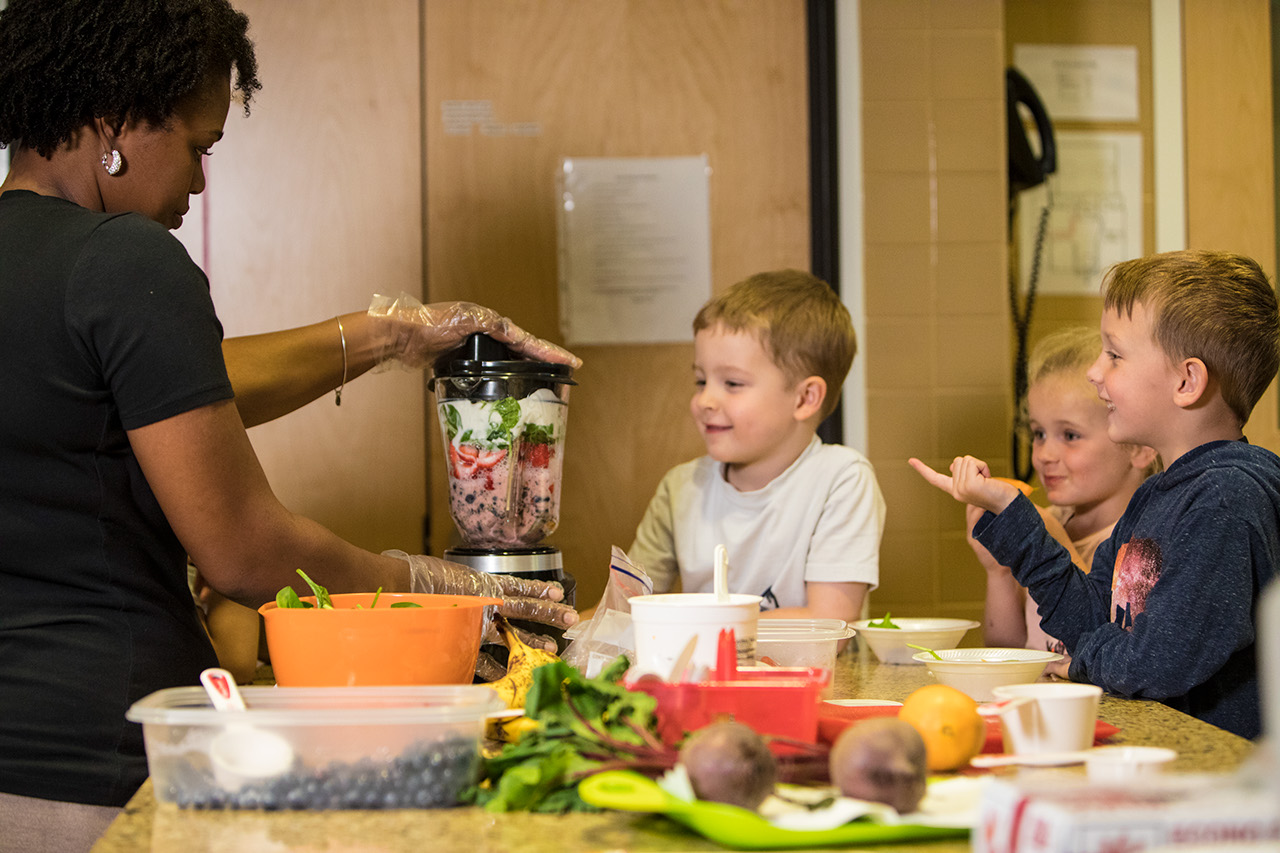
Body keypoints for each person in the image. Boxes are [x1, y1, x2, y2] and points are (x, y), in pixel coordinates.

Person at [0, 1, 578, 847]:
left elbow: (143, 393)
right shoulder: (123, 260)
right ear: (118, 120)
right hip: (105, 762)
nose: (199, 183)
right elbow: (244, 551)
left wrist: (394, 332)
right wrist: (433, 585)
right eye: (200, 147)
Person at [911, 249, 1280, 740]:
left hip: (1215, 776)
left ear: (1187, 381)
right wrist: (1012, 515)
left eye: (1114, 355)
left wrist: (1079, 663)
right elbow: (1089, 617)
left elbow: (1159, 658)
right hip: (1161, 753)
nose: (1094, 371)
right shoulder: (1157, 495)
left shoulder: (1227, 499)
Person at [627, 269, 885, 628]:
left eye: (732, 383)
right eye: (701, 380)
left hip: (814, 684)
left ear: (805, 398)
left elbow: (830, 625)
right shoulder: (681, 487)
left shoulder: (841, 479)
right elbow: (625, 608)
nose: (705, 400)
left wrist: (701, 630)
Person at [969, 327, 1157, 666]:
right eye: (1039, 433)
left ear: (1139, 449)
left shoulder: (1142, 541)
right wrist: (997, 572)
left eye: (1070, 435)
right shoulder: (1052, 520)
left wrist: (1050, 543)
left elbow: (1107, 644)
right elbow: (1006, 650)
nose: (1043, 454)